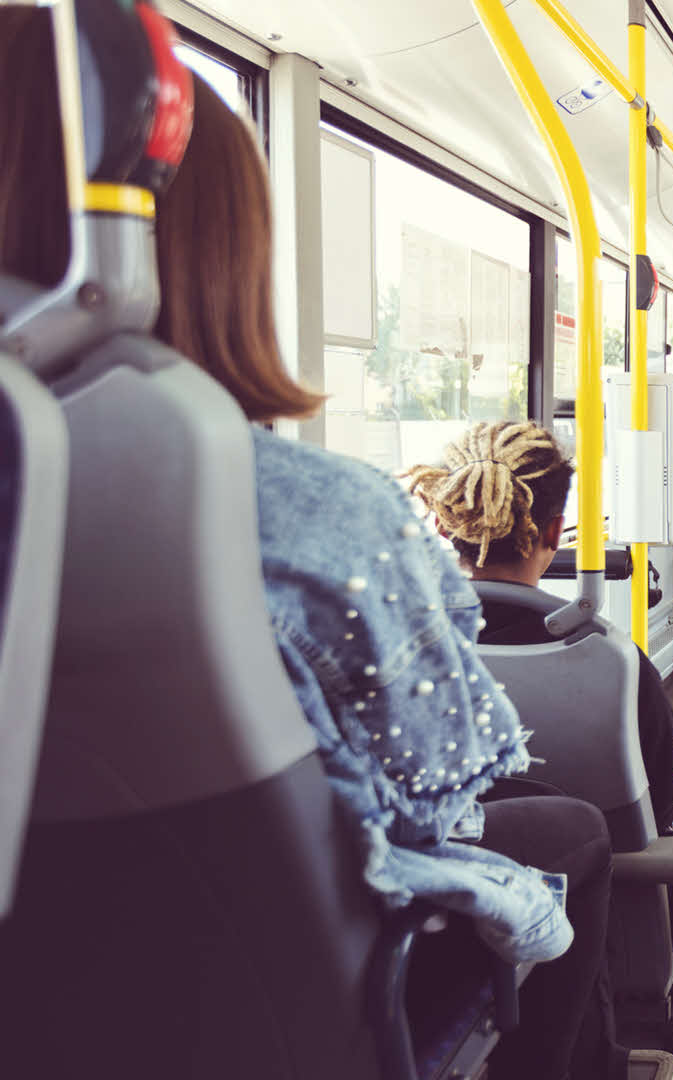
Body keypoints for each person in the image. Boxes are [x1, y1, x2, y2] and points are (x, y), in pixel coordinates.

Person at [0, 29, 624, 1078]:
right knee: (560, 833)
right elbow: (437, 804)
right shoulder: (327, 523)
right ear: (218, 257)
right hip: (265, 1010)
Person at [407, 420, 673, 1080]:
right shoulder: (610, 660)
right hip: (611, 865)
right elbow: (659, 810)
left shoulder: (399, 648)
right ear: (555, 536)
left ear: (447, 526)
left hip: (449, 874)